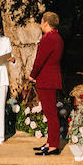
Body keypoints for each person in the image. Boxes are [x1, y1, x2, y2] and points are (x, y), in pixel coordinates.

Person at [30, 11, 65, 155]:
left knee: (50, 114)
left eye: (41, 21)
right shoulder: (57, 37)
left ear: (46, 23)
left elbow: (40, 60)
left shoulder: (49, 39)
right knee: (50, 113)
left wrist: (32, 75)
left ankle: (54, 145)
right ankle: (50, 142)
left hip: (46, 80)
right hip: (51, 78)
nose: (40, 24)